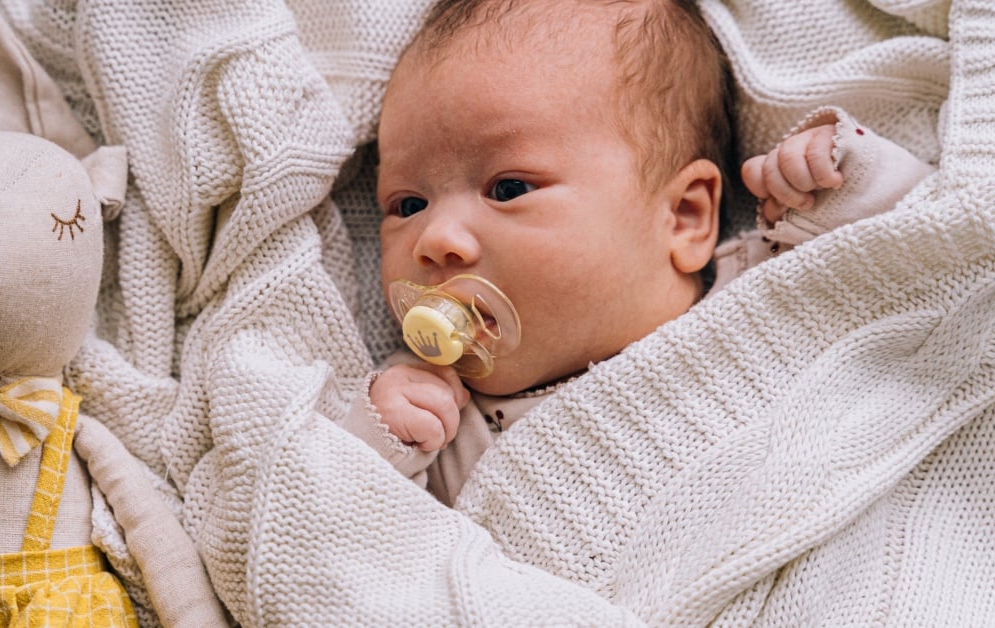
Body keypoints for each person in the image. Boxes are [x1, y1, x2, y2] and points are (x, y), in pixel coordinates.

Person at [340, 0, 935, 506]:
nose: (435, 240)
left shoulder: (768, 284)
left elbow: (926, 262)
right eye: (408, 204)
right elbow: (361, 539)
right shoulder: (435, 415)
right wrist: (377, 443)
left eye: (509, 188)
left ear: (684, 217)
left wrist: (845, 176)